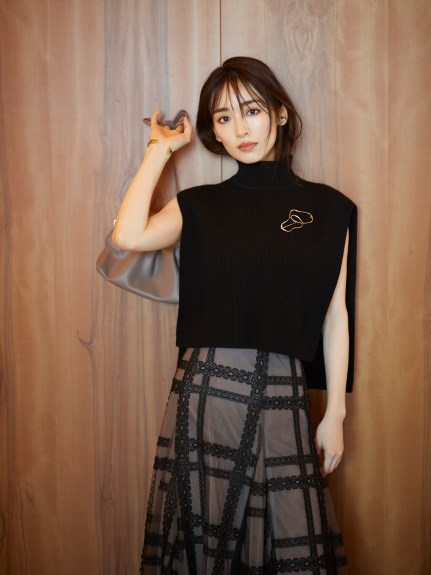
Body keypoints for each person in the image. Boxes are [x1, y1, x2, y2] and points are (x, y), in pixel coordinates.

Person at [113, 56, 357, 574]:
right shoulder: (199, 205)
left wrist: (335, 413)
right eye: (224, 118)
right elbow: (128, 235)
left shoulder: (330, 209)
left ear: (280, 114)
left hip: (283, 393)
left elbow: (335, 314)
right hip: (206, 394)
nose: (241, 129)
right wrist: (160, 149)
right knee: (205, 544)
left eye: (252, 110)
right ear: (214, 131)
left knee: (291, 543)